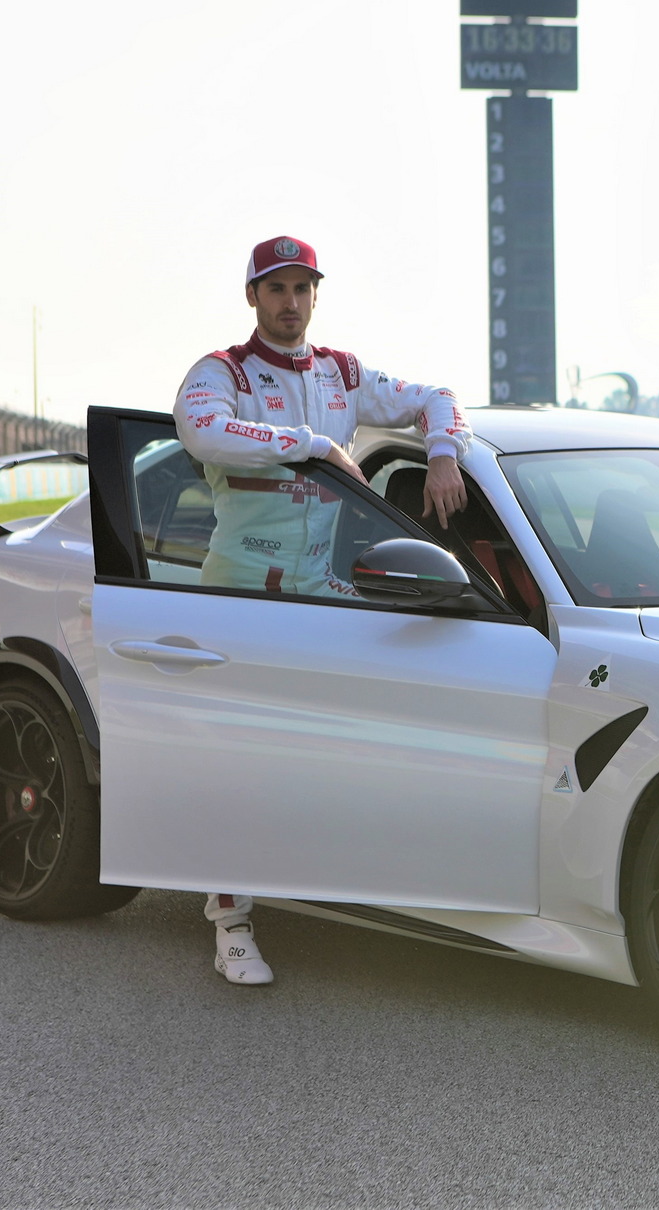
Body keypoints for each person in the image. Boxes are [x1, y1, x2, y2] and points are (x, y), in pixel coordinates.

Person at [172, 234, 474, 985]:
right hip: (239, 591)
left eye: (302, 287)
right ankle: (231, 921)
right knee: (237, 761)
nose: (290, 302)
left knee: (342, 745)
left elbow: (438, 397)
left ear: (316, 294)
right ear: (252, 297)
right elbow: (200, 428)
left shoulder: (342, 372)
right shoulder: (224, 372)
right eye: (275, 288)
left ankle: (355, 890)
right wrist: (313, 447)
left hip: (320, 592)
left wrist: (442, 452)